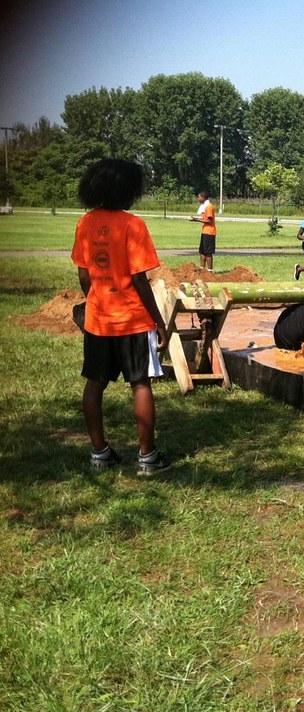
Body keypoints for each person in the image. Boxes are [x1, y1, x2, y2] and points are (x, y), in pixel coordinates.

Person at [71, 158, 173, 476]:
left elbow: (84, 275)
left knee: (95, 383)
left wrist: (95, 301)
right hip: (132, 320)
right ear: (127, 190)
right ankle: (147, 458)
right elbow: (140, 280)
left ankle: (99, 453)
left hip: (98, 320)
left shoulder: (85, 223)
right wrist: (158, 321)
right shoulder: (133, 225)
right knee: (140, 383)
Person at [189, 190, 216, 272]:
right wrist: (196, 219)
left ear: (203, 197)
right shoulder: (205, 206)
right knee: (202, 251)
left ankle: (209, 270)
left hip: (210, 232)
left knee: (208, 252)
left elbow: (209, 221)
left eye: (199, 197)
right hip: (205, 232)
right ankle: (202, 269)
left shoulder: (209, 207)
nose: (198, 198)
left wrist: (196, 220)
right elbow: (205, 218)